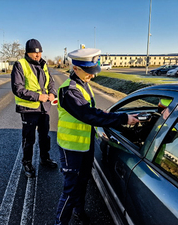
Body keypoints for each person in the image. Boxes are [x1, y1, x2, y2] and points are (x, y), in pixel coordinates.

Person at [55, 48, 139, 225]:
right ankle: (59, 222)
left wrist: (105, 114)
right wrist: (122, 118)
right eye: (89, 72)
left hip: (85, 145)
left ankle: (78, 212)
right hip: (72, 148)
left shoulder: (83, 84)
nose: (92, 76)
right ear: (76, 68)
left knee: (83, 181)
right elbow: (89, 115)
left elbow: (92, 111)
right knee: (70, 190)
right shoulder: (69, 91)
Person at [11, 38, 57, 178]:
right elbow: (17, 88)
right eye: (34, 53)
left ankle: (45, 158)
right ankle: (27, 162)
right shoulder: (20, 65)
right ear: (28, 53)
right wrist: (38, 97)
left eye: (40, 53)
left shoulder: (44, 65)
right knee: (29, 138)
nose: (38, 55)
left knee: (45, 136)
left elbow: (51, 82)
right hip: (29, 109)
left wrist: (52, 93)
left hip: (44, 108)